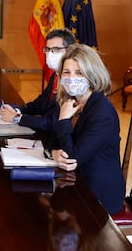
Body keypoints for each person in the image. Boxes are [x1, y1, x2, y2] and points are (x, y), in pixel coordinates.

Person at [50, 43, 125, 215]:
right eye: (67, 72)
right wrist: (54, 151)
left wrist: (63, 120)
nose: (71, 78)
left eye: (79, 72)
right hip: (77, 181)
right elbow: (54, 138)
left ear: (92, 74)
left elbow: (73, 158)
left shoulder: (102, 112)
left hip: (99, 193)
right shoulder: (71, 101)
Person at [0, 28, 75, 131]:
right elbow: (40, 103)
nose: (50, 54)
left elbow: (53, 122)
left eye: (56, 50)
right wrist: (17, 111)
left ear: (70, 51)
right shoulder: (56, 75)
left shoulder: (72, 82)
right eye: (48, 49)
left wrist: (17, 118)